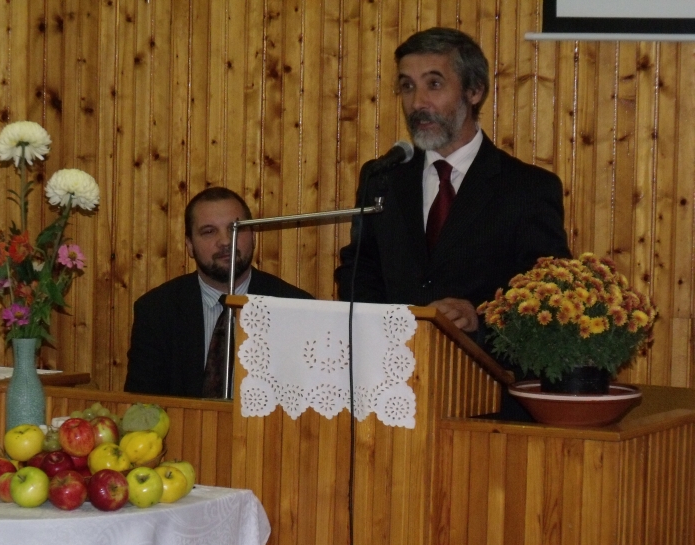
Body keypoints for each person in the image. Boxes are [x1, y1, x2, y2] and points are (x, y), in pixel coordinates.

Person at [334, 27, 571, 419]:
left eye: (434, 84)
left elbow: (546, 296)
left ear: (474, 91)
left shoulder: (527, 189)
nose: (417, 103)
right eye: (407, 86)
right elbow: (359, 269)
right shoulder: (383, 178)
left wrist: (479, 318)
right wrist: (385, 333)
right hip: (390, 390)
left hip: (486, 395)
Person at [125, 186, 312, 397]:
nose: (225, 241)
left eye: (235, 228)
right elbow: (142, 405)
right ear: (189, 245)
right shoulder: (156, 311)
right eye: (209, 231)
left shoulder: (297, 308)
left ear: (253, 236)